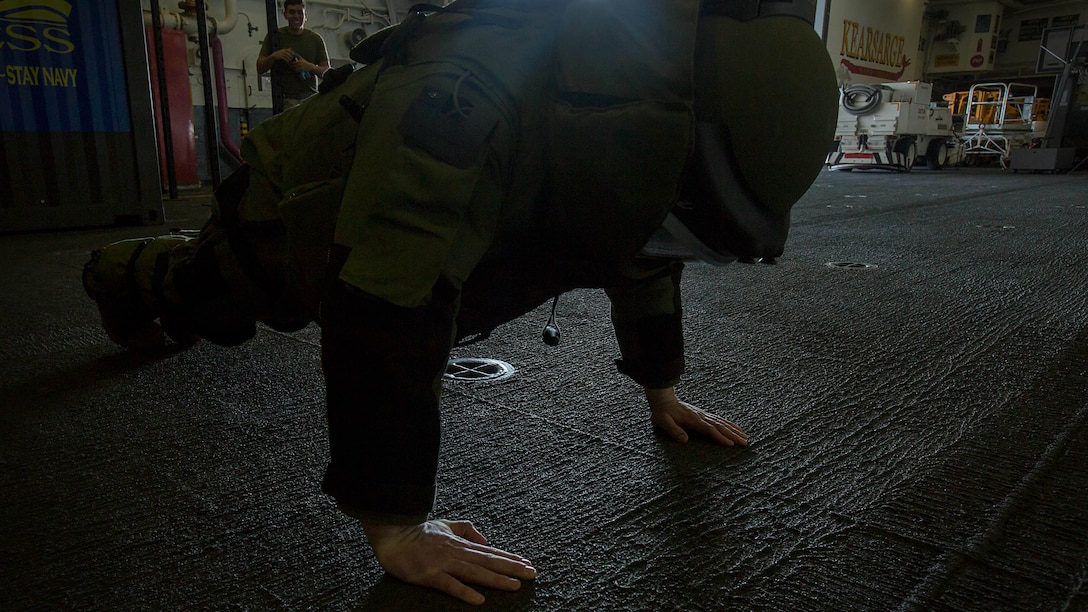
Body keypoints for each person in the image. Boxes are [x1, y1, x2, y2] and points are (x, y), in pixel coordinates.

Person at [84, 1, 836, 605]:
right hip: (291, 217)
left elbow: (639, 245)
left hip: (403, 209)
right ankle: (114, 275)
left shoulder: (629, 107)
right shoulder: (470, 106)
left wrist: (661, 387)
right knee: (211, 297)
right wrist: (398, 526)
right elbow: (384, 307)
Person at [256, 0, 330, 108]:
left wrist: (310, 67)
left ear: (305, 15)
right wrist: (274, 56)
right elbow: (260, 67)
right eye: (292, 12)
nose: (296, 16)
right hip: (284, 100)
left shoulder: (315, 39)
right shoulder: (274, 36)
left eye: (300, 12)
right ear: (285, 14)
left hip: (310, 99)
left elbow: (327, 72)